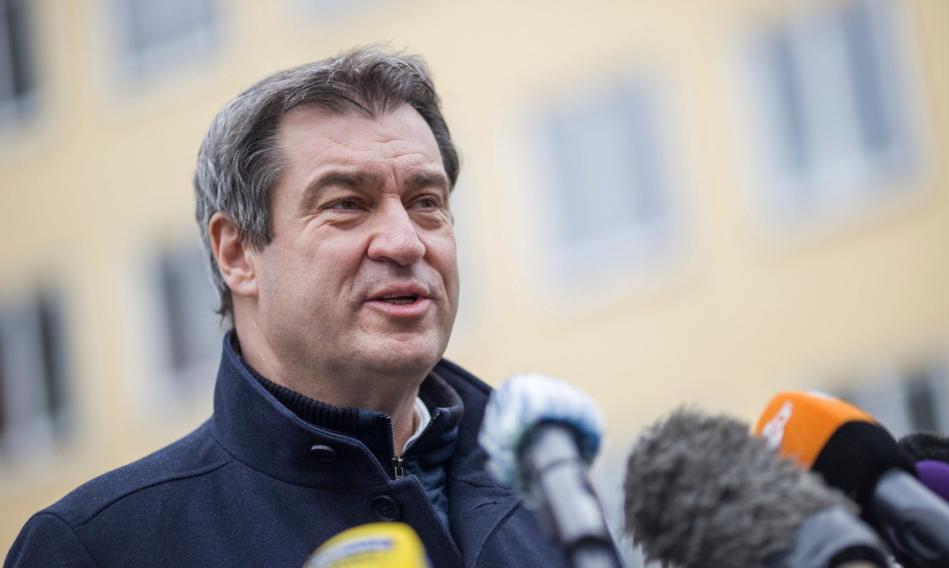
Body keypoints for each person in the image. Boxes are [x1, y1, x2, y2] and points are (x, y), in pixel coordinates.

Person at [5, 47, 569, 567]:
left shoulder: (552, 489)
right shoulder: (99, 547)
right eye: (347, 204)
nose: (404, 242)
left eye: (426, 202)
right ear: (237, 253)